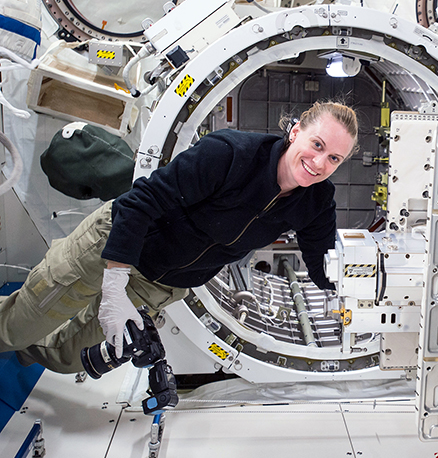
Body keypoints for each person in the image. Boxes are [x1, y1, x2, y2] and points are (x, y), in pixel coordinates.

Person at [0, 100, 358, 373]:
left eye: (334, 159)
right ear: (295, 132)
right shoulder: (231, 155)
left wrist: (352, 294)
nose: (320, 162)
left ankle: (18, 353)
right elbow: (142, 201)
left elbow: (320, 259)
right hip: (116, 245)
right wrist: (113, 284)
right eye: (317, 144)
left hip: (159, 283)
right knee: (19, 326)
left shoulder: (316, 200)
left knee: (71, 357)